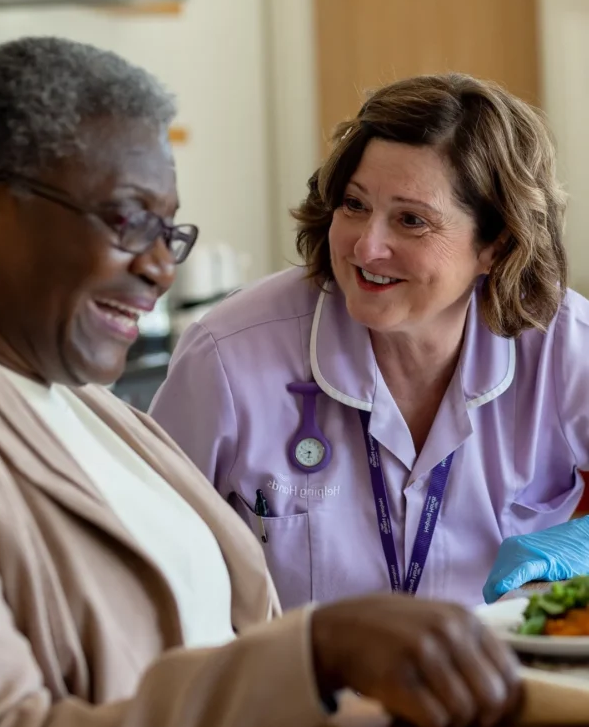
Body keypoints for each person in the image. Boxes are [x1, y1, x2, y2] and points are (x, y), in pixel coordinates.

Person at [0, 38, 520, 727]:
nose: (161, 268)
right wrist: (313, 654)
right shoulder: (218, 359)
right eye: (128, 218)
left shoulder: (98, 415)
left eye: (172, 231)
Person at [151, 72, 589, 611]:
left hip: (508, 681)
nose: (366, 245)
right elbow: (145, 562)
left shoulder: (562, 345)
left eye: (411, 220)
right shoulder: (227, 355)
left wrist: (580, 546)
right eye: (355, 205)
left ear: (495, 246)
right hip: (301, 690)